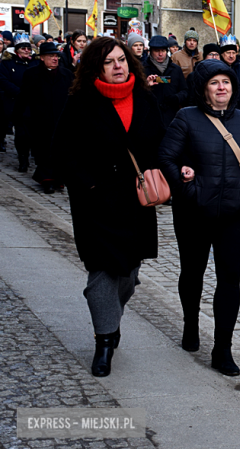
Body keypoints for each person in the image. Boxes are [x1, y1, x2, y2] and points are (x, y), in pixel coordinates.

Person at [54, 37, 165, 377]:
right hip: (96, 202)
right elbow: (64, 149)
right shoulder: (81, 101)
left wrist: (170, 170)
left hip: (135, 200)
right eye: (109, 62)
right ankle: (104, 342)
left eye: (122, 59)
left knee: (129, 273)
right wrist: (88, 183)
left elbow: (159, 142)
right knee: (102, 271)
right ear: (95, 67)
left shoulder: (145, 99)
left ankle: (110, 320)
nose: (118, 66)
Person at [159, 59, 240, 376]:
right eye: (214, 83)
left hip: (233, 216)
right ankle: (190, 322)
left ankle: (223, 348)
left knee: (229, 281)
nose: (222, 88)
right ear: (203, 89)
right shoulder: (186, 118)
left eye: (226, 82)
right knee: (192, 274)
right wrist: (188, 191)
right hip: (193, 214)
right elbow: (167, 157)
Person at [19, 41, 74, 193]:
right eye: (51, 56)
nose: (55, 59)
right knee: (43, 151)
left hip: (61, 119)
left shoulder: (67, 74)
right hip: (40, 120)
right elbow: (24, 97)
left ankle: (58, 178)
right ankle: (47, 180)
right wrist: (22, 117)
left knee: (60, 150)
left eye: (56, 56)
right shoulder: (32, 74)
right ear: (42, 57)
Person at [0, 33, 39, 172]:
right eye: (23, 48)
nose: (26, 50)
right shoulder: (7, 63)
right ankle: (23, 159)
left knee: (35, 133)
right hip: (16, 103)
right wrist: (19, 92)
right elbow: (3, 80)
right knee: (21, 134)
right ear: (16, 50)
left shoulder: (36, 62)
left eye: (28, 48)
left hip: (35, 104)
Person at [144, 35, 188, 127]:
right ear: (150, 51)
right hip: (150, 121)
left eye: (163, 51)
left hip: (172, 120)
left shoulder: (176, 69)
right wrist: (145, 86)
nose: (160, 54)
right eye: (157, 51)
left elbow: (185, 91)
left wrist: (176, 98)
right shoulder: (142, 69)